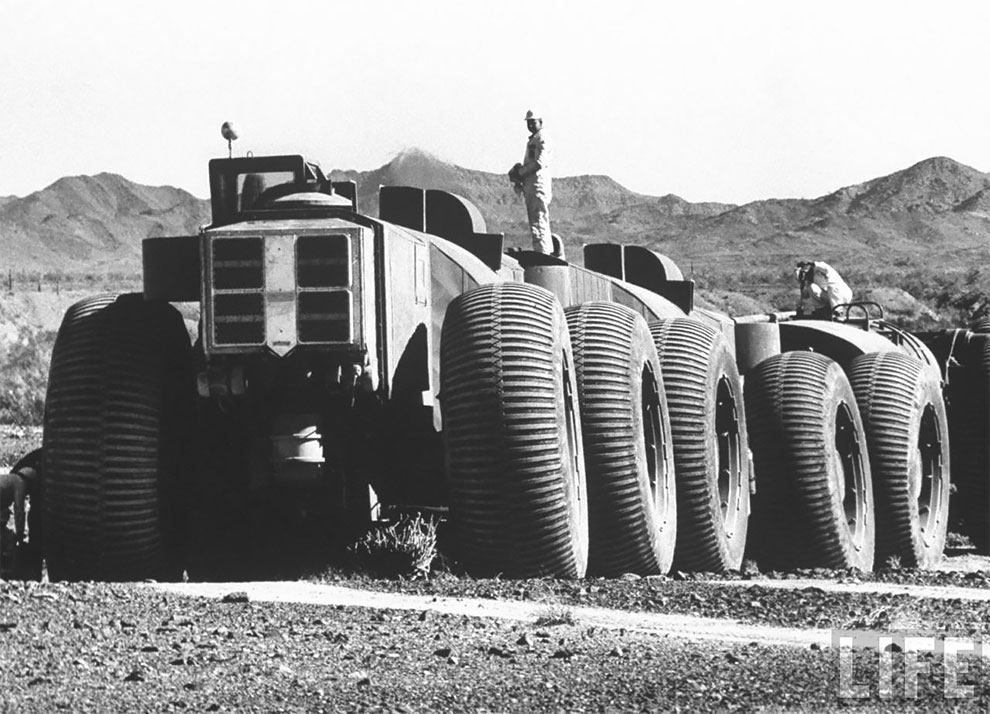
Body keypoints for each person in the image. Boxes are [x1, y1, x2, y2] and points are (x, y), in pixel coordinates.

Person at [509, 109, 558, 256]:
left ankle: (543, 253)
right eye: (528, 123)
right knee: (537, 219)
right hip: (532, 184)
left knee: (538, 221)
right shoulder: (535, 139)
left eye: (533, 122)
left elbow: (539, 162)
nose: (530, 125)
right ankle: (545, 250)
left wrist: (521, 172)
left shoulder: (542, 139)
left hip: (537, 185)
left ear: (540, 122)